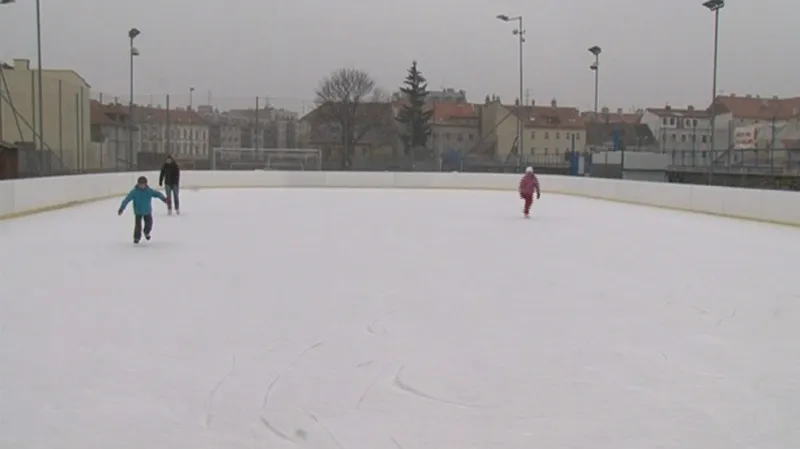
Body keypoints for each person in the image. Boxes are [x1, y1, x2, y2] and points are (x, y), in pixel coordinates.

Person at [118, 176, 168, 243]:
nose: (142, 186)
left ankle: (146, 232)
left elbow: (157, 194)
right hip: (138, 211)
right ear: (138, 184)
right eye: (140, 184)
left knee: (149, 223)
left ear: (146, 184)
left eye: (143, 184)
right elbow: (127, 199)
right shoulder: (134, 192)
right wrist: (122, 208)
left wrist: (164, 199)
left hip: (147, 211)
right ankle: (136, 238)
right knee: (138, 226)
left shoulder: (149, 191)